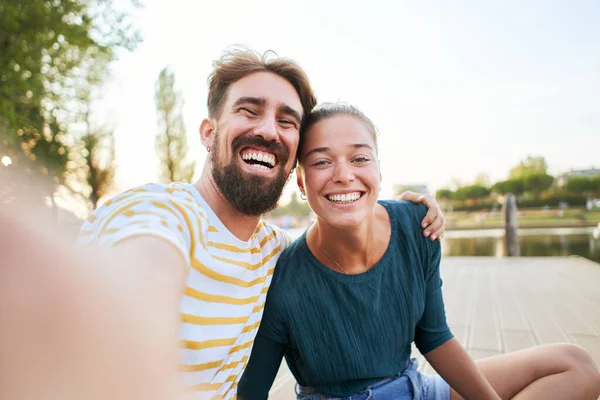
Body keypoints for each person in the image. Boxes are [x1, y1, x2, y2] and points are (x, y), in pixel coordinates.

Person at [0, 48, 446, 400]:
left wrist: (406, 213)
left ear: (293, 161)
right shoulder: (158, 214)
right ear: (209, 133)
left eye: (286, 121)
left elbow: (342, 219)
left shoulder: (272, 249)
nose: (269, 130)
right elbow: (142, 281)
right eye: (249, 111)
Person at [238, 103, 600, 400]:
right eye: (321, 162)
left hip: (416, 389)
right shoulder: (283, 277)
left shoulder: (417, 224)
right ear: (301, 181)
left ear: (379, 168)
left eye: (360, 158)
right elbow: (252, 391)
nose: (344, 175)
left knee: (575, 364)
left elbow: (434, 336)